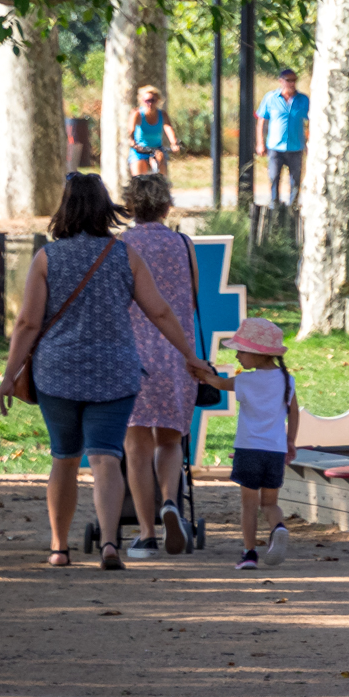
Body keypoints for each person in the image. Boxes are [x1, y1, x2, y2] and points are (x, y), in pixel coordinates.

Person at [0, 171, 206, 572]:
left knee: (64, 458)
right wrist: (189, 354)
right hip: (116, 372)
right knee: (106, 458)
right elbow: (160, 310)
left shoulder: (47, 257)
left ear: (65, 207)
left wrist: (9, 375)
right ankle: (110, 544)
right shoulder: (123, 255)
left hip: (58, 371)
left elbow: (27, 323)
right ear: (104, 207)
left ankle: (60, 548)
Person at [116, 174, 222, 559]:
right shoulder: (183, 243)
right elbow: (191, 298)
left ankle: (146, 534)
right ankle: (170, 502)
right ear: (166, 206)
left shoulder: (122, 245)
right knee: (171, 440)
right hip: (179, 354)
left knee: (136, 446)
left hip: (133, 355)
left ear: (130, 206)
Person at [222, 318, 302, 571]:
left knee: (249, 505)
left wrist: (200, 372)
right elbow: (294, 412)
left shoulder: (244, 381)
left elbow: (217, 384)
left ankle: (249, 554)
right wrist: (290, 440)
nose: (237, 356)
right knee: (270, 503)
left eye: (241, 351)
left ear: (258, 354)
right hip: (275, 451)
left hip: (248, 449)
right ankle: (278, 527)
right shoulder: (287, 380)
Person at [257, 69, 310, 208]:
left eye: (294, 80)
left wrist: (309, 142)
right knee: (274, 177)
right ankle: (274, 205)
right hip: (275, 146)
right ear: (281, 81)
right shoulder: (271, 98)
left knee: (295, 180)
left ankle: (293, 206)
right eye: (288, 80)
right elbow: (261, 120)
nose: (292, 83)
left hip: (296, 146)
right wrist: (260, 143)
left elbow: (311, 120)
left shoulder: (303, 100)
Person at [124, 83, 181, 180]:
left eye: (152, 100)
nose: (149, 104)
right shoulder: (137, 114)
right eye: (147, 101)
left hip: (156, 149)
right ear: (142, 101)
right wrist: (132, 141)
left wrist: (174, 143)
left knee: (161, 168)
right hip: (140, 150)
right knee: (139, 180)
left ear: (158, 101)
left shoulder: (162, 114)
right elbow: (131, 130)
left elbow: (168, 128)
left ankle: (161, 186)